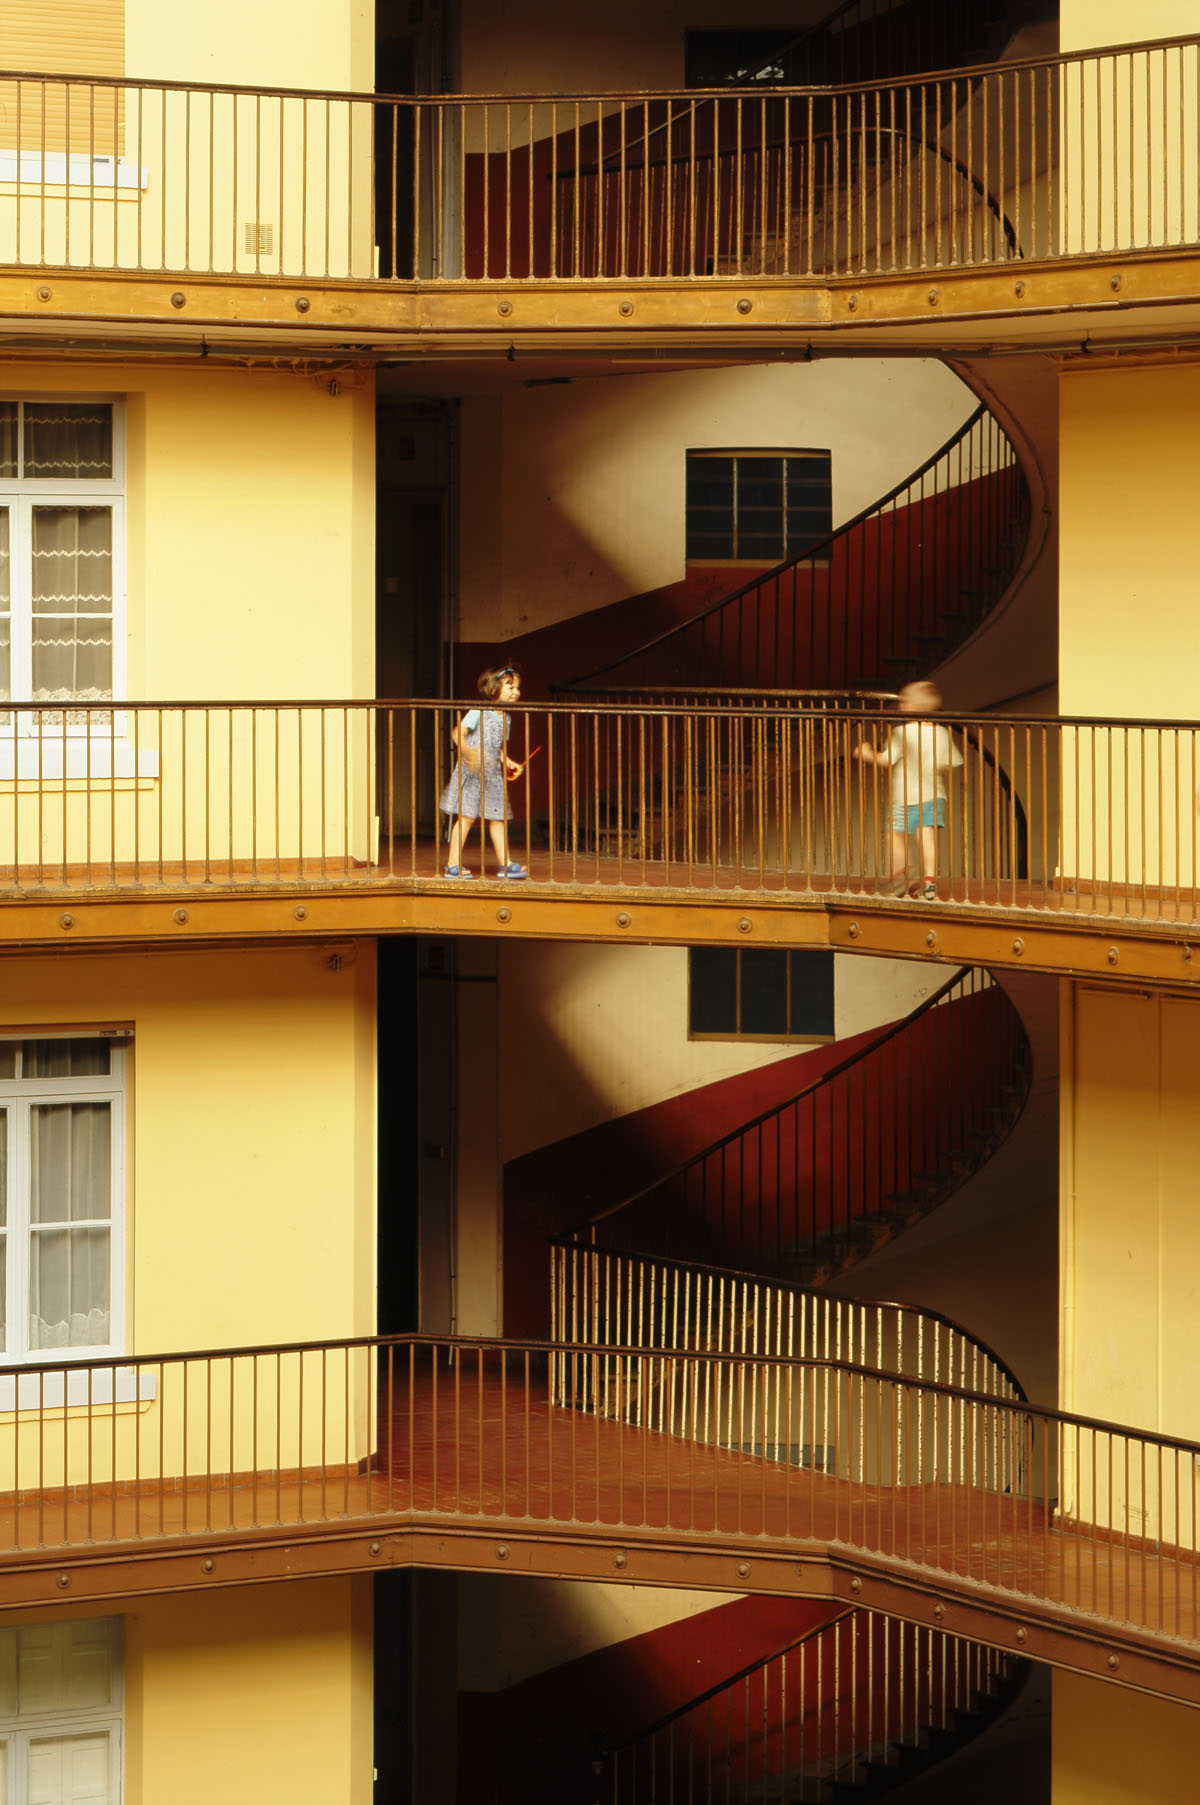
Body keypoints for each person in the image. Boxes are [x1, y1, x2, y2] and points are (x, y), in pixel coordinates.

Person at [854, 679, 963, 899]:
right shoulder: (940, 733)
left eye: (904, 701)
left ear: (911, 706)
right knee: (926, 837)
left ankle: (900, 875)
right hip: (933, 794)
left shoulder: (902, 732)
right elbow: (950, 763)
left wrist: (865, 752)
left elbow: (886, 760)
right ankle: (929, 881)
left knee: (894, 835)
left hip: (904, 796)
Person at [439, 665, 528, 878]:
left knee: (497, 819)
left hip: (493, 776)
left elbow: (497, 750)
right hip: (473, 773)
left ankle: (505, 864)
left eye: (517, 687)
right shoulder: (478, 711)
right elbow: (457, 733)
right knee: (467, 817)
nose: (515, 691)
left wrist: (509, 762)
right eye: (510, 686)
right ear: (494, 689)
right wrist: (470, 752)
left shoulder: (506, 718)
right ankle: (452, 864)